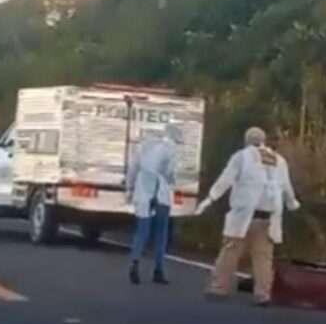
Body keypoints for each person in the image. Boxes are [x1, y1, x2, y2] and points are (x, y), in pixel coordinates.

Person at [195, 127, 300, 306]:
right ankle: (263, 294)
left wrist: (208, 200)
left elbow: (224, 181)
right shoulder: (279, 160)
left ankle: (219, 287)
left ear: (247, 140)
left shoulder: (241, 157)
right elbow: (286, 187)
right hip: (268, 217)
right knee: (263, 258)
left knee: (229, 252)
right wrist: (292, 203)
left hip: (243, 216)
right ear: (264, 140)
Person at [126, 123, 183, 286]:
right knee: (161, 233)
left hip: (143, 190)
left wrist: (129, 188)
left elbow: (133, 169)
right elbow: (170, 173)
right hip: (162, 193)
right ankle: (158, 270)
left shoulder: (141, 148)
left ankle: (134, 263)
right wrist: (172, 181)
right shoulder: (170, 149)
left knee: (142, 230)